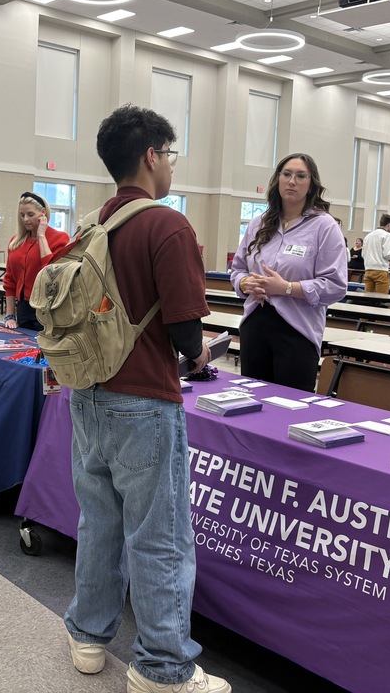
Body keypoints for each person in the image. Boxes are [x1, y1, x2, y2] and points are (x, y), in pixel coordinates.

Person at [63, 105, 229, 693]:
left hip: (87, 393)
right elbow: (185, 334)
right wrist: (202, 354)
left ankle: (88, 635)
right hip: (144, 401)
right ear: (152, 156)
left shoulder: (91, 224)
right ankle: (162, 667)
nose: (172, 166)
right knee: (161, 537)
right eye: (171, 155)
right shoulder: (167, 226)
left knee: (99, 521)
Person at [230, 153, 347, 392]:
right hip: (255, 324)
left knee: (291, 405)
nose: (292, 181)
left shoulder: (324, 226)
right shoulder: (259, 223)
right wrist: (244, 283)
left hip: (297, 330)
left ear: (311, 184)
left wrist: (286, 288)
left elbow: (335, 285)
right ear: (278, 180)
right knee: (252, 399)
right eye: (287, 174)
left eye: (301, 176)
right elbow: (238, 269)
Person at [3, 191, 69, 330]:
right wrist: (10, 314)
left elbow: (51, 272)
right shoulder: (16, 242)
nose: (25, 219)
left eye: (30, 214)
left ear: (43, 213)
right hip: (23, 307)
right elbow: (9, 280)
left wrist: (41, 236)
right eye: (22, 215)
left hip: (47, 308)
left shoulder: (60, 238)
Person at [361, 214, 390, 294]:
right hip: (381, 271)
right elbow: (387, 254)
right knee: (381, 298)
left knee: (367, 298)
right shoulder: (387, 235)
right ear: (389, 225)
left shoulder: (368, 236)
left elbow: (363, 254)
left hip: (368, 270)